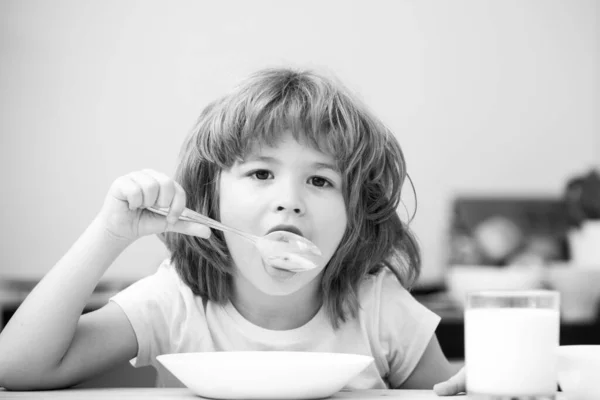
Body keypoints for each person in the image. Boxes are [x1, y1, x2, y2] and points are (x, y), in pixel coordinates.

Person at [0, 67, 464, 395]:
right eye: (261, 174)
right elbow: (17, 368)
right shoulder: (176, 301)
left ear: (355, 216)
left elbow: (447, 394)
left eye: (320, 180)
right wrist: (109, 234)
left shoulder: (380, 308)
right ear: (210, 196)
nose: (289, 199)